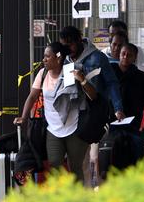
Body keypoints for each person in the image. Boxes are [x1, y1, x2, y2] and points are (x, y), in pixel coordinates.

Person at [14, 42, 96, 181]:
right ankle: (60, 197)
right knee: (54, 163)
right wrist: (24, 117)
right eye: (44, 56)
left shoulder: (70, 72)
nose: (44, 59)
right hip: (53, 129)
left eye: (47, 56)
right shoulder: (43, 73)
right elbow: (33, 96)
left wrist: (82, 80)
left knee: (76, 166)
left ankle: (78, 200)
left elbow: (93, 96)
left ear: (58, 58)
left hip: (74, 128)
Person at [60, 26, 125, 119]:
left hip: (96, 110)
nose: (68, 49)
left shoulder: (97, 57)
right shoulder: (65, 60)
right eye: (64, 46)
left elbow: (112, 83)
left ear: (79, 40)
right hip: (73, 114)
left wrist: (118, 109)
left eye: (70, 44)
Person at [113, 43, 144, 131]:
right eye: (123, 54)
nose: (125, 57)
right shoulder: (110, 72)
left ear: (135, 58)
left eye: (129, 55)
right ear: (119, 55)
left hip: (134, 122)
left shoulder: (141, 77)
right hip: (111, 119)